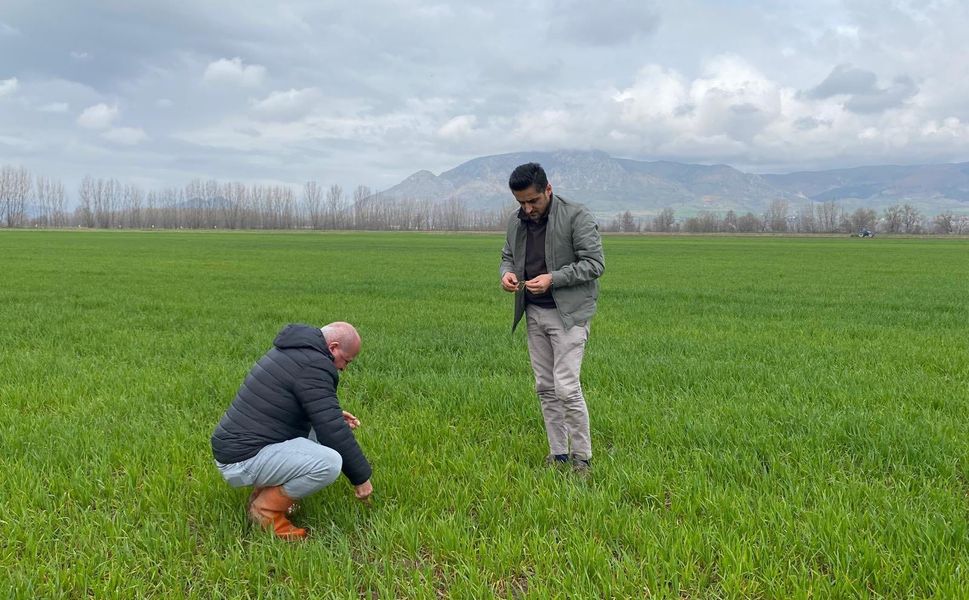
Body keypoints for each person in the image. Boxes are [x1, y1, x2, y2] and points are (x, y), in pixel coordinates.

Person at [211, 322, 372, 540]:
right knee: (330, 463)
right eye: (346, 360)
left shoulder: (295, 351)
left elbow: (291, 403)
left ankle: (264, 492)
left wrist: (331, 414)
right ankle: (265, 510)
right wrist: (361, 478)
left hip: (238, 448)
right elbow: (332, 429)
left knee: (319, 430)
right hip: (241, 459)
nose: (344, 368)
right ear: (333, 347)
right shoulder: (315, 365)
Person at [499, 162, 605, 475]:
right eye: (521, 202)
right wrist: (506, 273)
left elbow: (594, 264)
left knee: (567, 388)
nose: (527, 209)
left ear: (548, 189)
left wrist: (553, 279)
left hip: (569, 315)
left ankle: (582, 459)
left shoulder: (576, 216)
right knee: (545, 386)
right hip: (534, 312)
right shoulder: (516, 221)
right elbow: (508, 255)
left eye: (533, 201)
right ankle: (558, 454)